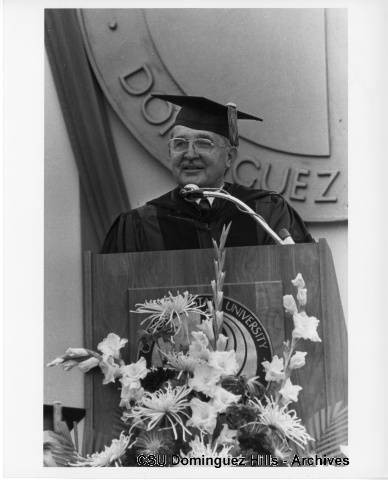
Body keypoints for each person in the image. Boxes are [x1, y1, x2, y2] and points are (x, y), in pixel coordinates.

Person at [101, 94, 313, 253]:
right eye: (180, 144)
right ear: (169, 152)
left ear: (229, 157)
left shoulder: (266, 213)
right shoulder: (140, 224)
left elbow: (301, 278)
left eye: (203, 143)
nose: (190, 154)